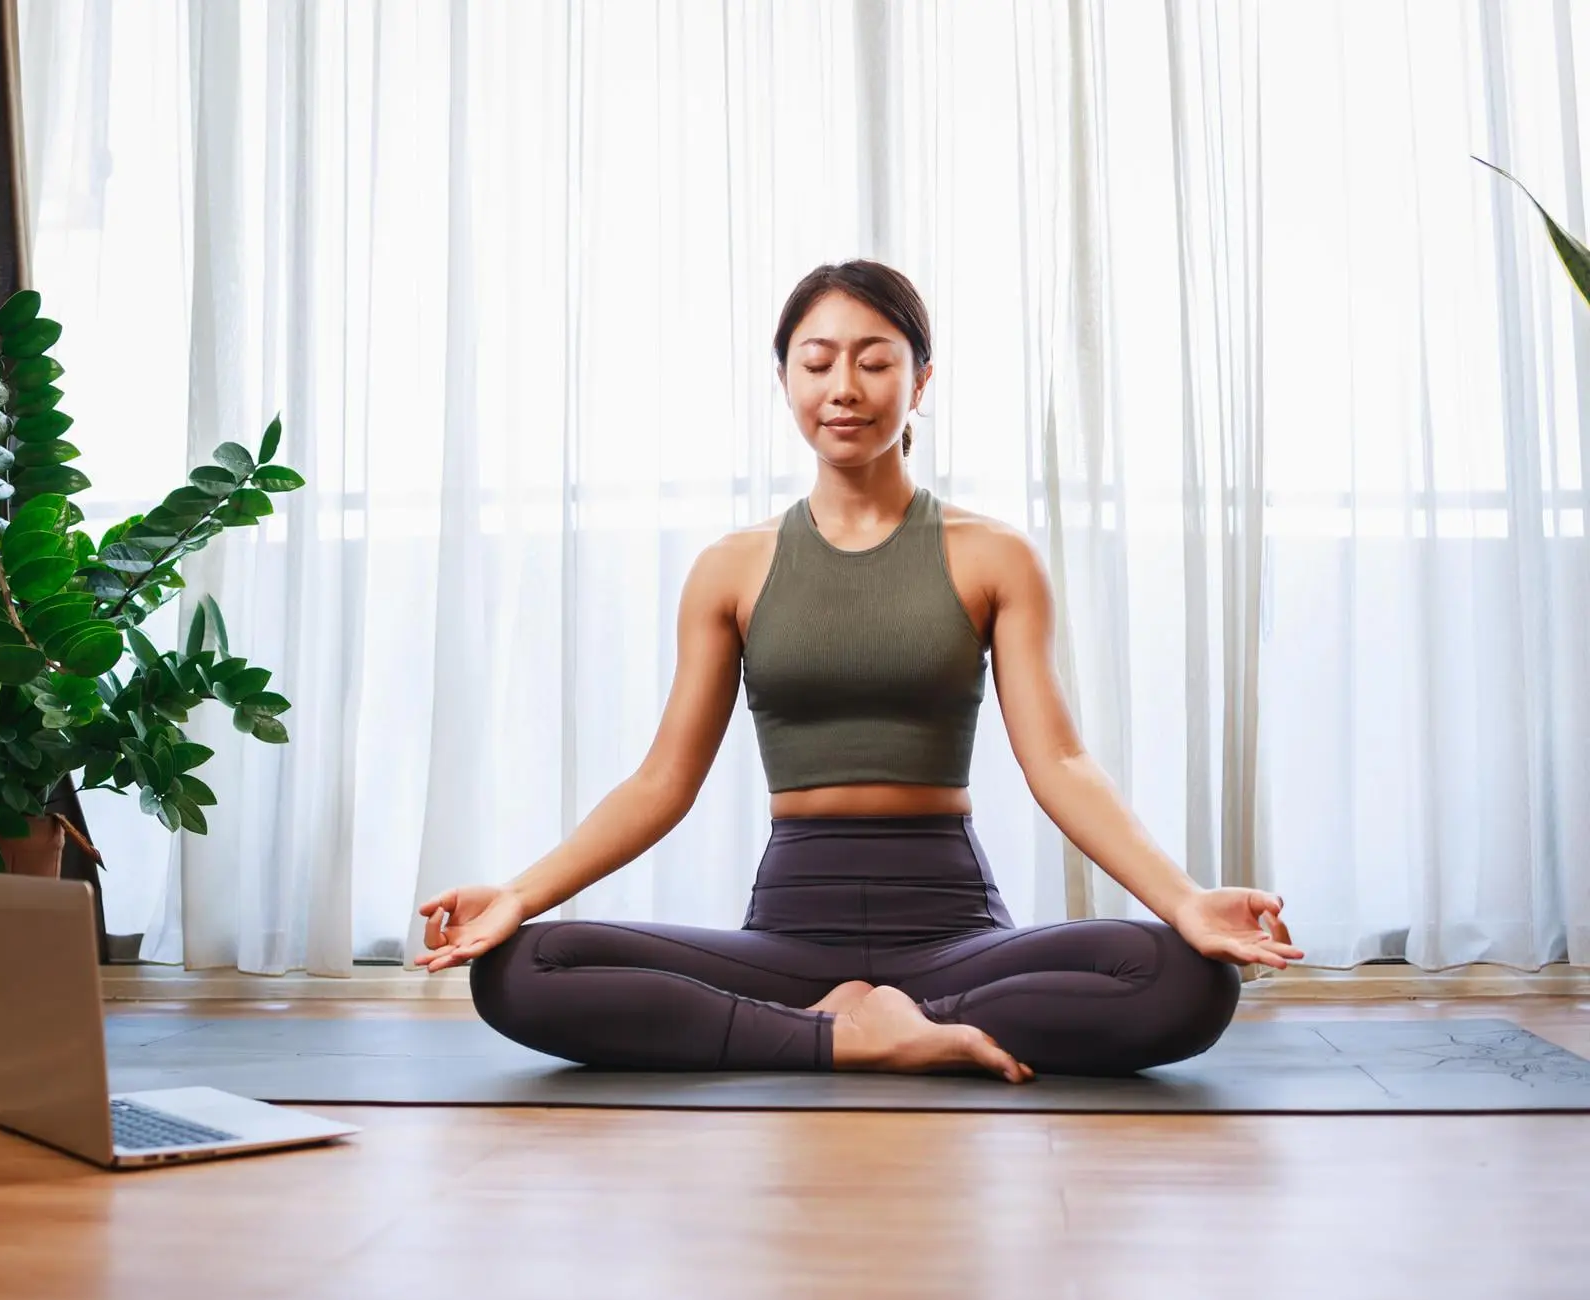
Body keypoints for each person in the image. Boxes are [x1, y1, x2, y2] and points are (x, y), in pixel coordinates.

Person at [414, 259, 1302, 1081]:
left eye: (875, 362)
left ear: (919, 381)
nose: (844, 388)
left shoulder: (993, 556)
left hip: (953, 927)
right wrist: (518, 893)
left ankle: (875, 1024)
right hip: (790, 930)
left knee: (1187, 979)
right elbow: (660, 781)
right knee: (521, 967)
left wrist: (1185, 901)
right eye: (818, 362)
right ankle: (856, 1033)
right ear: (786, 380)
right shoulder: (734, 566)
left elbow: (1060, 764)